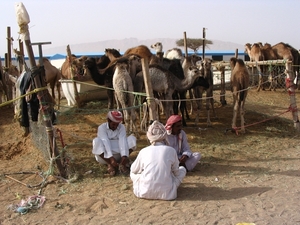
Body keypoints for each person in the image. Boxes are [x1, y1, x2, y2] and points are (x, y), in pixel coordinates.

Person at [130, 120, 186, 200]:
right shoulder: (171, 150)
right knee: (182, 169)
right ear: (164, 135)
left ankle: (145, 185)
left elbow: (133, 169)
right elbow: (177, 173)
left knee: (132, 173)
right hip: (168, 194)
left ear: (149, 135)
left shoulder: (144, 151)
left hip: (143, 192)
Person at [92, 110, 136, 176]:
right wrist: (111, 158)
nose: (115, 126)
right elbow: (105, 142)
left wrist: (124, 156)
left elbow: (122, 141)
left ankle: (122, 163)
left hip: (119, 155)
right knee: (96, 141)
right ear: (109, 121)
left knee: (132, 139)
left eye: (117, 124)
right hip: (105, 157)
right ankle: (109, 164)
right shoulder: (102, 128)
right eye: (113, 124)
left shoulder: (121, 127)